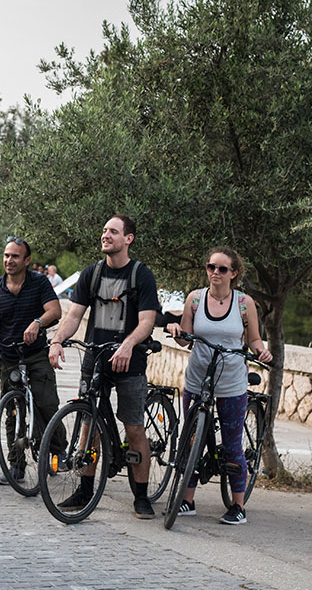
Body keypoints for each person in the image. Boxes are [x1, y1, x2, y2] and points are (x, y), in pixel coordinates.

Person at [48, 215, 160, 519]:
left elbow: (147, 321)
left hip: (130, 360)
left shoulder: (141, 275)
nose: (105, 235)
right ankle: (85, 487)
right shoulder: (92, 274)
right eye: (104, 231)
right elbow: (74, 316)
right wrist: (57, 340)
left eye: (113, 231)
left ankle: (141, 495)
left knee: (134, 426)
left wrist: (127, 344)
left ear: (129, 239)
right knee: (88, 421)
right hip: (95, 358)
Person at [165, 247, 272, 525]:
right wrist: (177, 330)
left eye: (222, 269)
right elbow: (187, 338)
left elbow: (254, 339)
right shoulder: (195, 299)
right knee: (190, 442)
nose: (215, 272)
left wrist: (262, 351)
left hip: (231, 383)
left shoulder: (244, 303)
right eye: (211, 267)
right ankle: (187, 500)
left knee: (232, 446)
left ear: (233, 274)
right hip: (198, 379)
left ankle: (238, 505)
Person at [0, 236, 66, 484]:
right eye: (6, 255)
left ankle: (59, 449)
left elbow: (55, 311)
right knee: (13, 412)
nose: (9, 260)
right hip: (9, 358)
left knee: (47, 404)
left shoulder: (39, 283)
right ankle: (16, 465)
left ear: (26, 260)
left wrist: (38, 322)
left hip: (36, 355)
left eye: (15, 256)